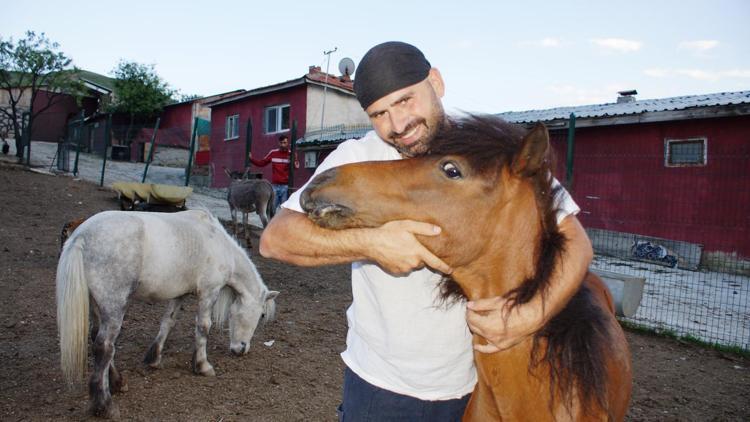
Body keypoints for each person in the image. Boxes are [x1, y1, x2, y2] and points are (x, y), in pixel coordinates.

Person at [260, 41, 593, 421]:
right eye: (379, 114)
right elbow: (276, 239)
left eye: (405, 101)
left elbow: (576, 241)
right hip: (380, 386)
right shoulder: (360, 157)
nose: (397, 125)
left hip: (473, 385)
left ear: (435, 81)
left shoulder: (488, 151)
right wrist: (373, 243)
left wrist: (531, 316)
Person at [248, 134, 299, 210]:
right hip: (274, 186)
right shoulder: (273, 153)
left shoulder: (291, 154)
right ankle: (271, 221)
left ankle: (281, 222)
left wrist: (295, 161)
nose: (283, 145)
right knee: (272, 208)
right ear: (279, 143)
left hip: (285, 187)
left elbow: (296, 167)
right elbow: (262, 163)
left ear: (287, 143)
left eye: (285, 143)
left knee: (284, 209)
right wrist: (251, 159)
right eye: (281, 143)